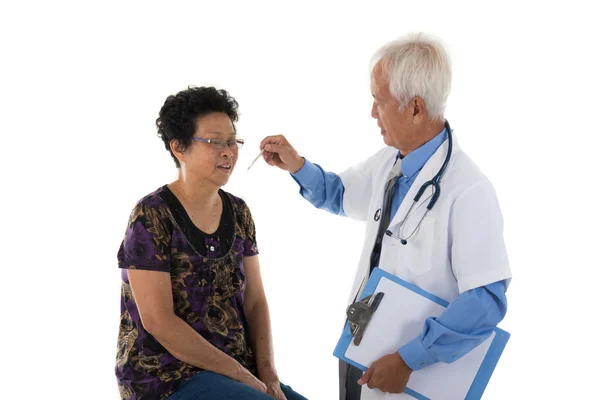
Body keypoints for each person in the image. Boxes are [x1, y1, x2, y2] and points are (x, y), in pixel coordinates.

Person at [259, 32, 512, 400]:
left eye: (379, 101)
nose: (372, 113)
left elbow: (485, 300)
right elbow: (340, 193)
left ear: (414, 108)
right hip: (359, 346)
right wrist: (297, 166)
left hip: (413, 371)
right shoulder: (391, 162)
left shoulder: (469, 191)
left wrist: (409, 359)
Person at [115, 86, 307, 400]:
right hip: (167, 376)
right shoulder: (151, 215)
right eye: (215, 142)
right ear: (179, 147)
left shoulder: (239, 211)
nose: (228, 151)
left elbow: (256, 301)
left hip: (236, 371)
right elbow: (159, 322)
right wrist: (241, 375)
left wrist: (269, 377)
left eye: (232, 141)